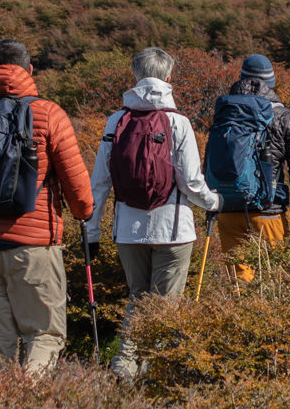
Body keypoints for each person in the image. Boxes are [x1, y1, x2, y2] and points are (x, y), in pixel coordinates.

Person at [0, 38, 94, 374]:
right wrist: (84, 214)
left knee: (1, 342)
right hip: (34, 245)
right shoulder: (48, 113)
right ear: (29, 70)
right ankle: (27, 407)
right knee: (44, 334)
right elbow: (77, 185)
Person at [88, 47, 220, 377]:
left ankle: (124, 364)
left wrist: (91, 234)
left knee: (139, 298)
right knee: (165, 304)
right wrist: (214, 202)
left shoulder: (116, 121)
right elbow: (190, 182)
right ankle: (153, 372)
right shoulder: (178, 123)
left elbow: (99, 182)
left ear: (134, 75)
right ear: (169, 77)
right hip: (173, 229)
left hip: (128, 230)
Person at [203, 52, 290, 275]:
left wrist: (210, 208)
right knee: (273, 285)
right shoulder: (286, 117)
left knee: (240, 286)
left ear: (241, 79)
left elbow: (209, 161)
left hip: (227, 209)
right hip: (268, 212)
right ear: (271, 84)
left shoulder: (225, 114)